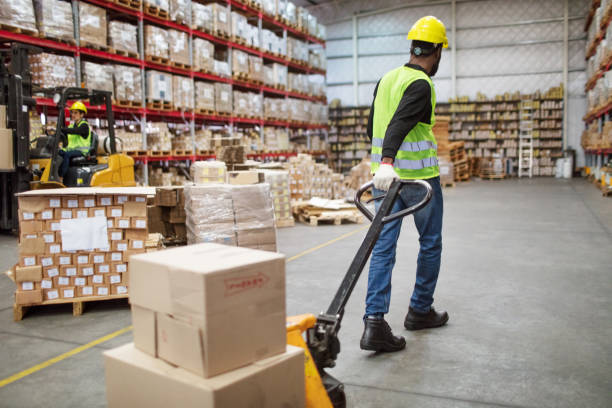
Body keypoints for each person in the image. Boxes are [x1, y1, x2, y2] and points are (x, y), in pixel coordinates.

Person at [360, 16, 449, 353]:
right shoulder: (422, 84)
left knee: (383, 247)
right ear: (436, 50)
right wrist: (388, 160)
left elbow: (373, 128)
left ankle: (374, 323)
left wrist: (383, 166)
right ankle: (420, 310)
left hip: (385, 182)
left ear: (413, 46)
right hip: (418, 181)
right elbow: (398, 125)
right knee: (430, 242)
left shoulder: (386, 79)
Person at [58, 101, 92, 178]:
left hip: (82, 151)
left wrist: (62, 129)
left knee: (67, 155)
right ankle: (55, 173)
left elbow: (76, 131)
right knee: (58, 152)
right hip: (72, 149)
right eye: (72, 113)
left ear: (82, 114)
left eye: (75, 113)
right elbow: (66, 132)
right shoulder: (71, 126)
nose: (73, 115)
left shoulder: (84, 126)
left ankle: (61, 177)